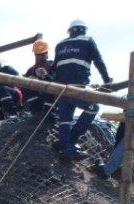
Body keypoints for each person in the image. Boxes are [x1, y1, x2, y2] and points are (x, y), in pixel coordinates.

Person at [53, 19, 112, 159]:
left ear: (70, 30)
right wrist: (107, 81)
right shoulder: (88, 41)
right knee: (93, 108)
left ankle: (64, 144)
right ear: (83, 30)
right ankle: (71, 141)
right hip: (77, 88)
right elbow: (99, 62)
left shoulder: (60, 44)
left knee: (65, 119)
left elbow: (55, 67)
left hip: (60, 88)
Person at [22, 40, 56, 120]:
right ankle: (36, 112)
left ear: (47, 54)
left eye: (42, 55)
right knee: (27, 87)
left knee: (50, 89)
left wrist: (46, 77)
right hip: (37, 103)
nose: (40, 57)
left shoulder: (53, 66)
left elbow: (59, 83)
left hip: (52, 102)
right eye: (38, 55)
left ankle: (49, 113)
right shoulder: (31, 70)